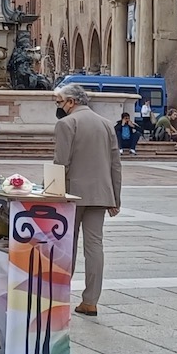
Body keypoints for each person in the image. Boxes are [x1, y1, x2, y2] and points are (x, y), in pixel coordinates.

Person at [53, 84, 122, 317]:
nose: (59, 107)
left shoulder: (66, 124)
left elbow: (61, 163)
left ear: (71, 102)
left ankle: (59, 297)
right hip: (101, 194)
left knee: (66, 246)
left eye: (59, 102)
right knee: (95, 247)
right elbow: (115, 164)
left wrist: (53, 193)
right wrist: (115, 197)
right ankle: (91, 301)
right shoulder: (105, 124)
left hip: (72, 194)